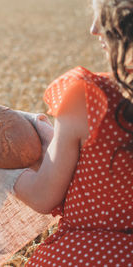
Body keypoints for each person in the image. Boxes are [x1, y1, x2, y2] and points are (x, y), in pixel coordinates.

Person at [13, 0, 133, 265]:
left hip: (82, 257)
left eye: (104, 17)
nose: (94, 29)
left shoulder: (91, 97)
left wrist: (1, 171)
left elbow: (42, 196)